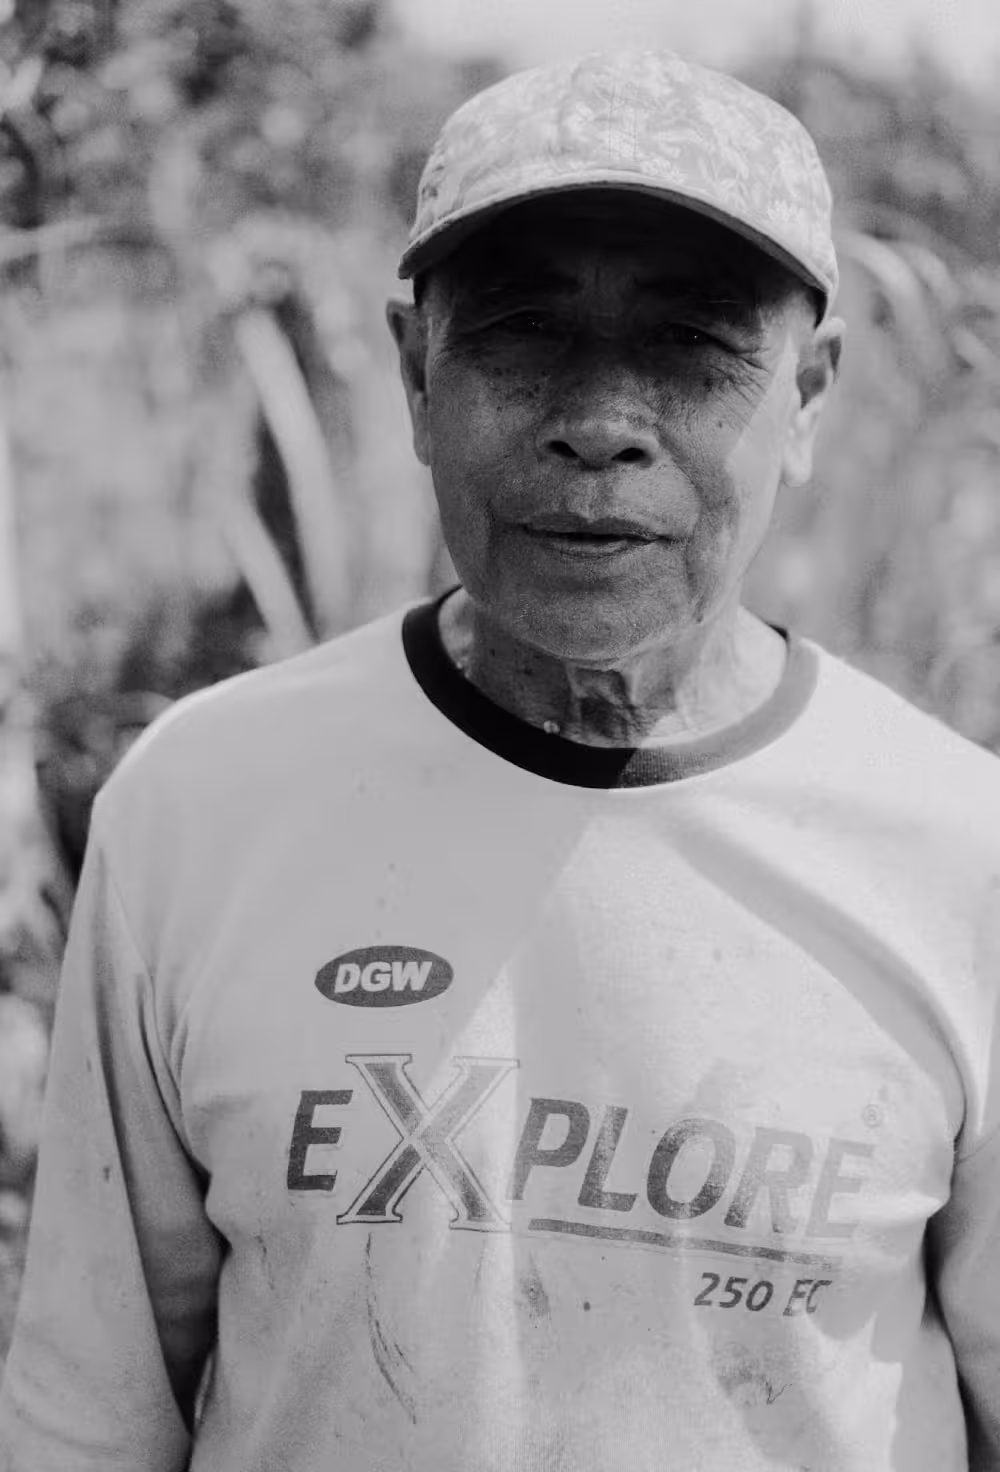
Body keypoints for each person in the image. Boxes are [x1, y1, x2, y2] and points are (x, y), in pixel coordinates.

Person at [1, 45, 999, 1472]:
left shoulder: (962, 857)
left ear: (809, 399)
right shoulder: (203, 808)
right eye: (524, 331)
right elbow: (85, 1415)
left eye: (694, 346)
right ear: (419, 374)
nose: (599, 426)